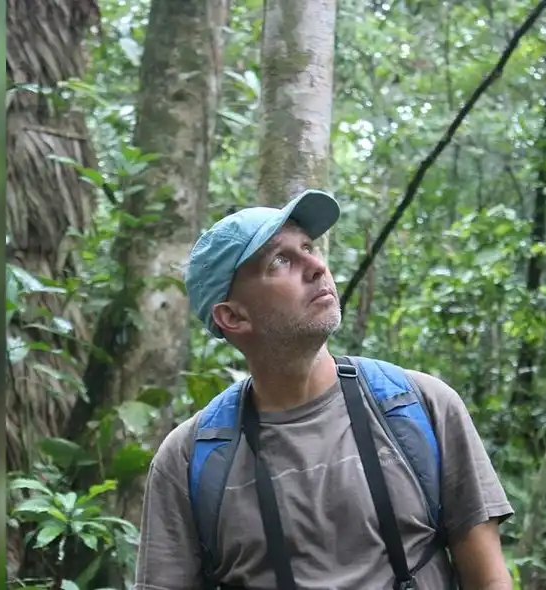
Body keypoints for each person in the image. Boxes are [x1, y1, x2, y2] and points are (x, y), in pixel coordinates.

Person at [134, 189, 515, 590]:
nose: (316, 266)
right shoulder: (189, 458)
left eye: (308, 247)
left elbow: (488, 579)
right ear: (232, 316)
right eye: (280, 260)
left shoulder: (419, 404)